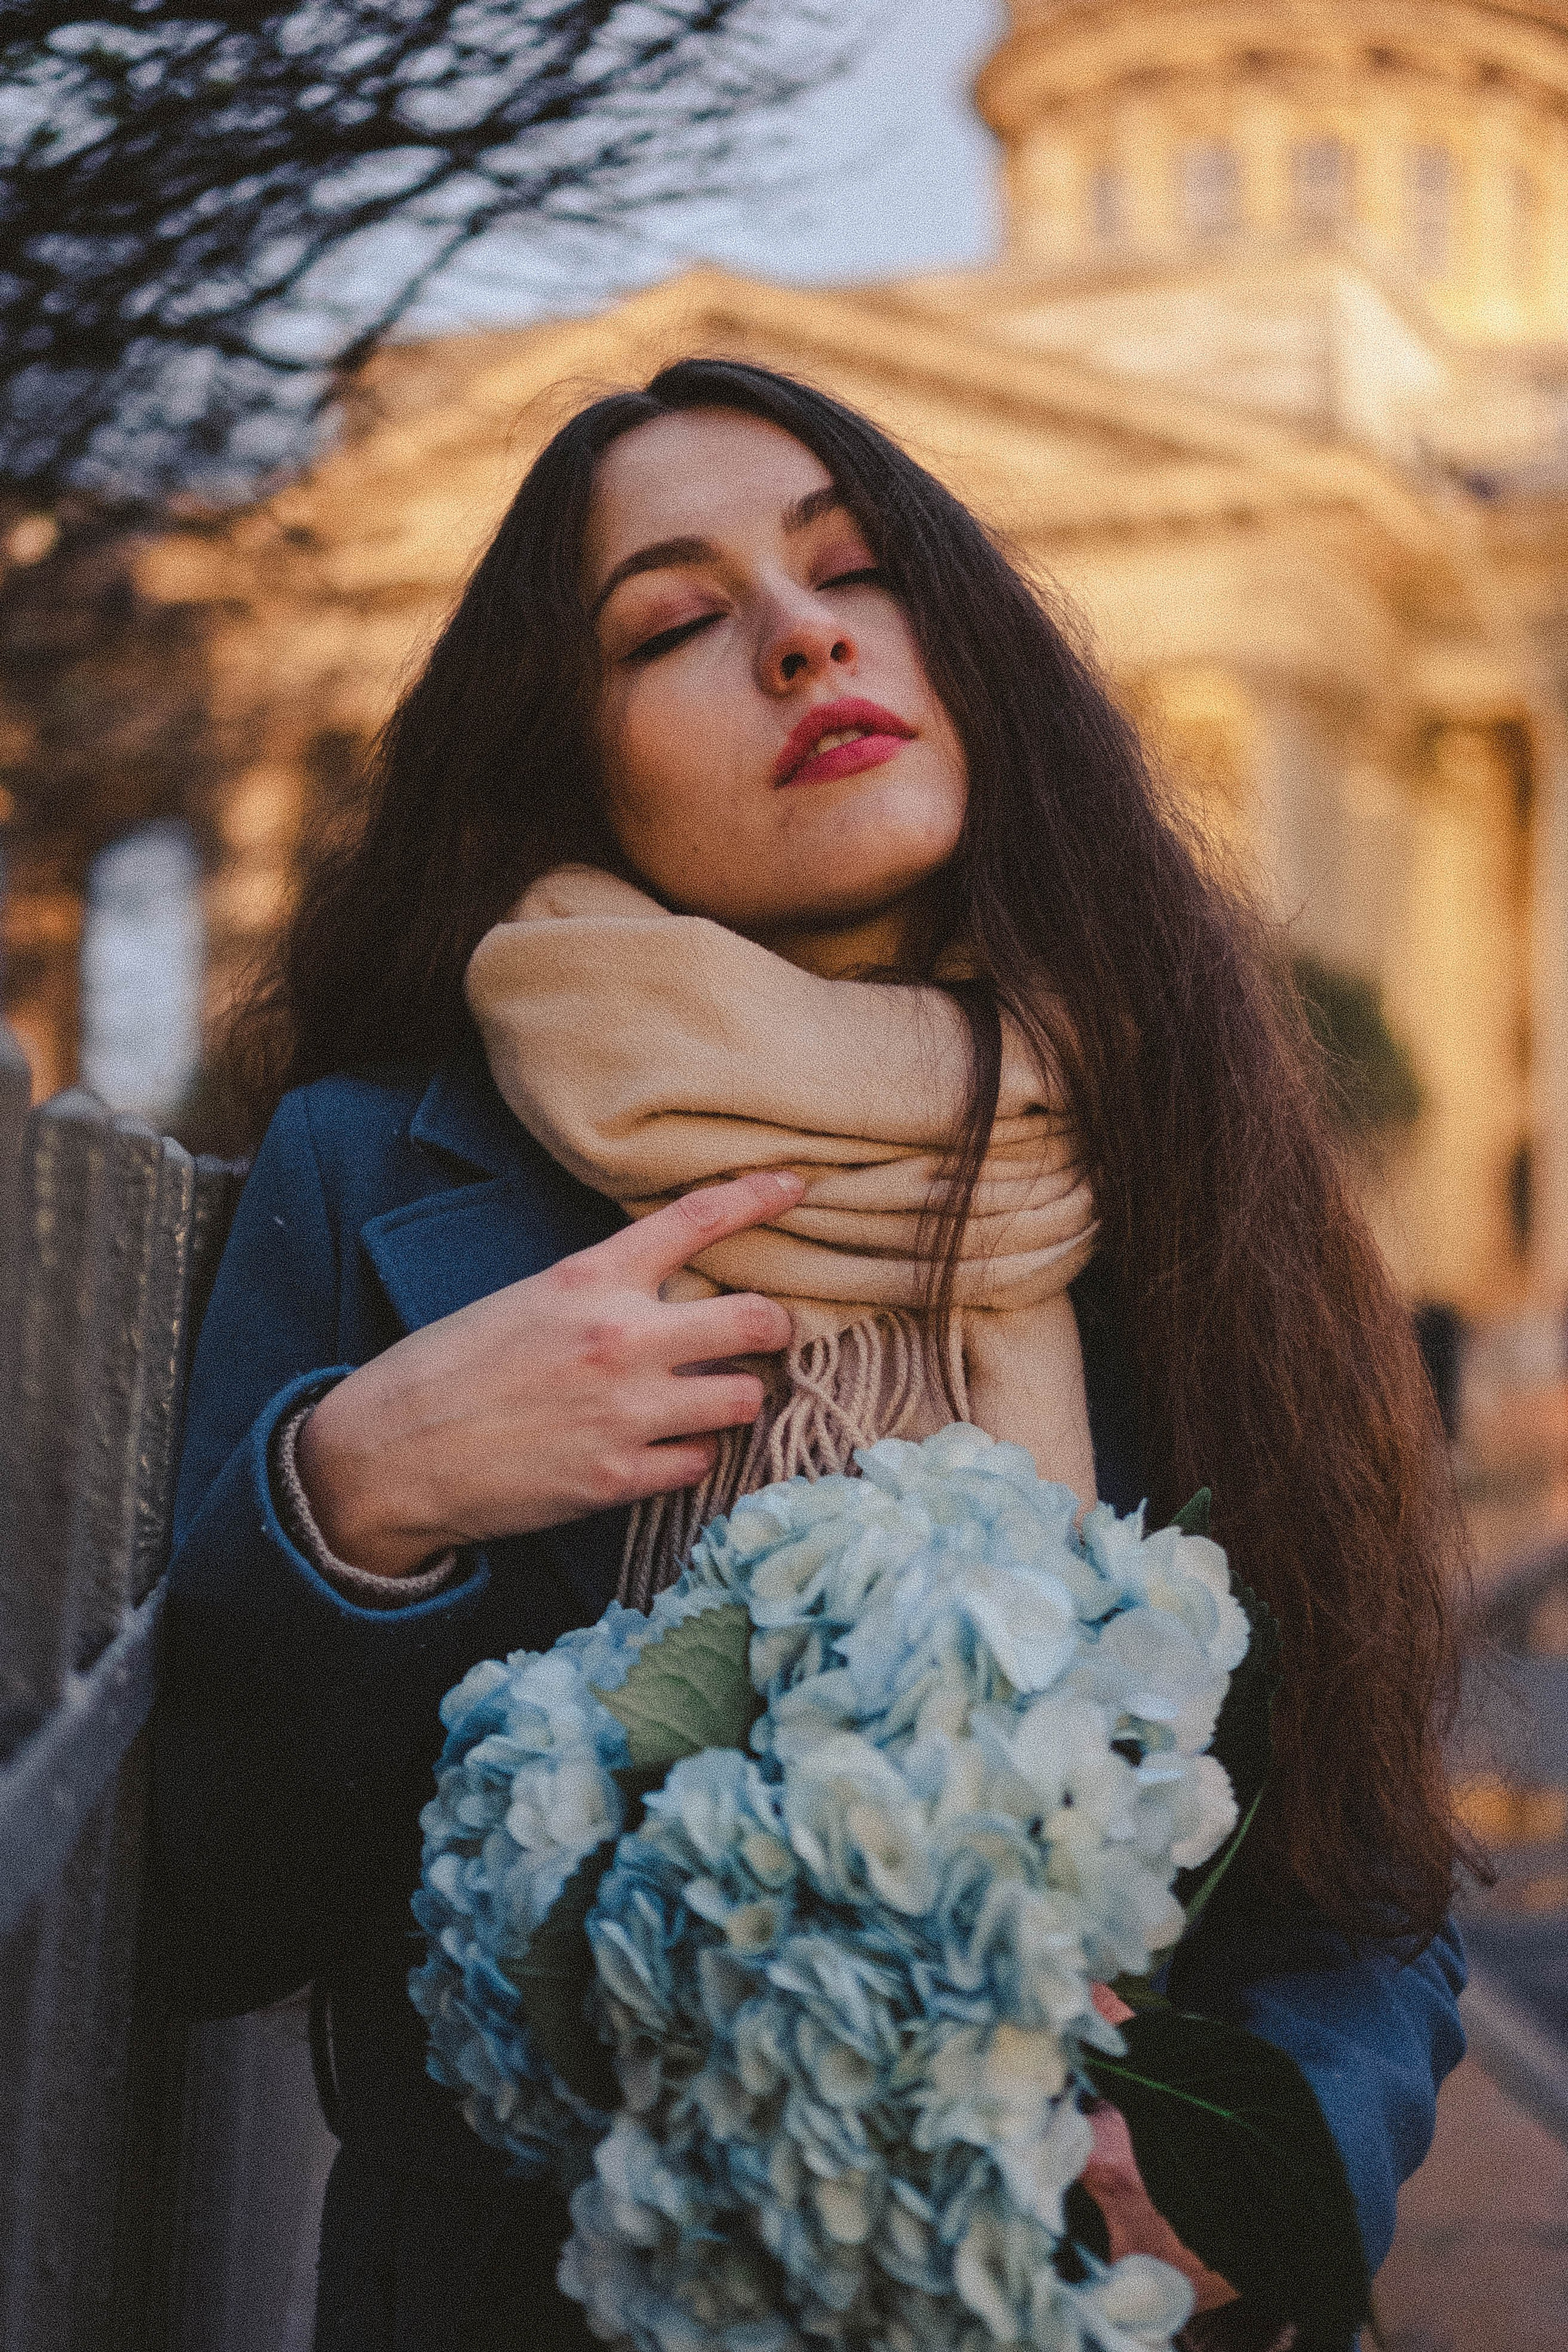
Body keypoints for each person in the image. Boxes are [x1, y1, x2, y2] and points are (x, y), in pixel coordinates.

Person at [153, 360, 1473, 2352]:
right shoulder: (371, 1167)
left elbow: (1362, 1892)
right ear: (564, 761)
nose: (800, 635)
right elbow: (214, 1914)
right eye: (674, 623)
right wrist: (357, 1501)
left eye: (855, 569)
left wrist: (1253, 2165)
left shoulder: (1200, 1170)